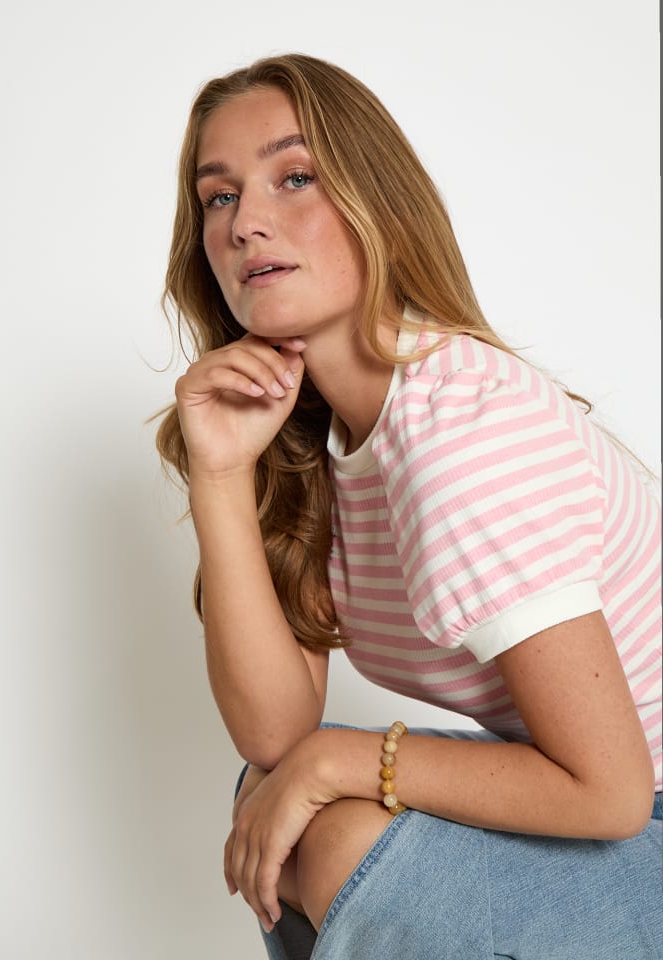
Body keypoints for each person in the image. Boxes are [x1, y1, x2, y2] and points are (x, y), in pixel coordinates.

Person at [155, 53, 662, 959]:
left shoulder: (463, 432)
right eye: (219, 197)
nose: (245, 223)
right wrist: (221, 474)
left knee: (340, 835)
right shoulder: (317, 435)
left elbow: (611, 793)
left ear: (376, 201)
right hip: (623, 815)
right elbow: (274, 732)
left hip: (641, 817)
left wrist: (337, 761)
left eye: (294, 177)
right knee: (275, 792)